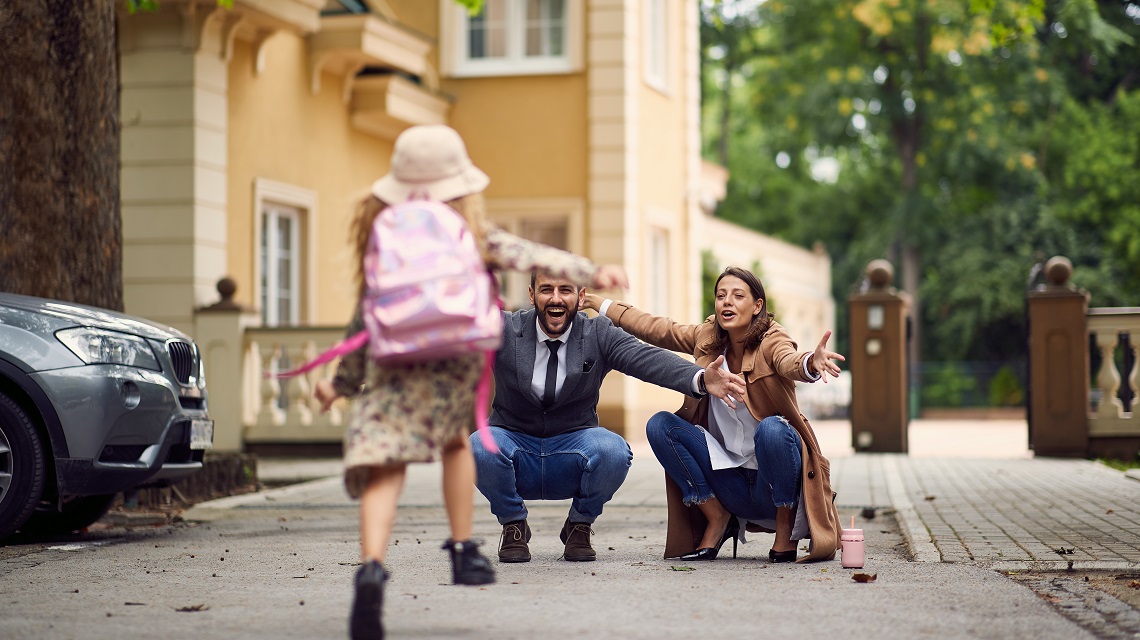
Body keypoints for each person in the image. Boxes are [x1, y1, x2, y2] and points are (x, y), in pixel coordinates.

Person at [312, 124, 629, 640]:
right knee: (459, 445)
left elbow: (366, 312)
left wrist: (341, 382)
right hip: (452, 362)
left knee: (384, 466)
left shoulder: (382, 231)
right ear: (460, 185)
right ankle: (463, 549)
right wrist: (591, 271)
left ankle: (371, 566)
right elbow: (530, 255)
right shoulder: (469, 232)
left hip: (394, 364)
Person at [470, 271, 745, 563]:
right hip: (514, 443)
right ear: (531, 294)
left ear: (581, 295)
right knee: (478, 446)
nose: (555, 298)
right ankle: (513, 524)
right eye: (546, 289)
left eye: (566, 289)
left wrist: (701, 379)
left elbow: (647, 359)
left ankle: (579, 525)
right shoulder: (504, 328)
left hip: (573, 447)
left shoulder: (597, 333)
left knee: (613, 450)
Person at [582, 265, 845, 563]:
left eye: (737, 296)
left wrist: (811, 363)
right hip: (727, 481)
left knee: (773, 429)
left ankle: (784, 529)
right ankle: (716, 517)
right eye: (721, 296)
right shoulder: (707, 337)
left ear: (757, 305)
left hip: (771, 485)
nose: (727, 302)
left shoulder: (772, 339)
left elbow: (789, 361)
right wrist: (597, 302)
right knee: (661, 425)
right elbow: (656, 328)